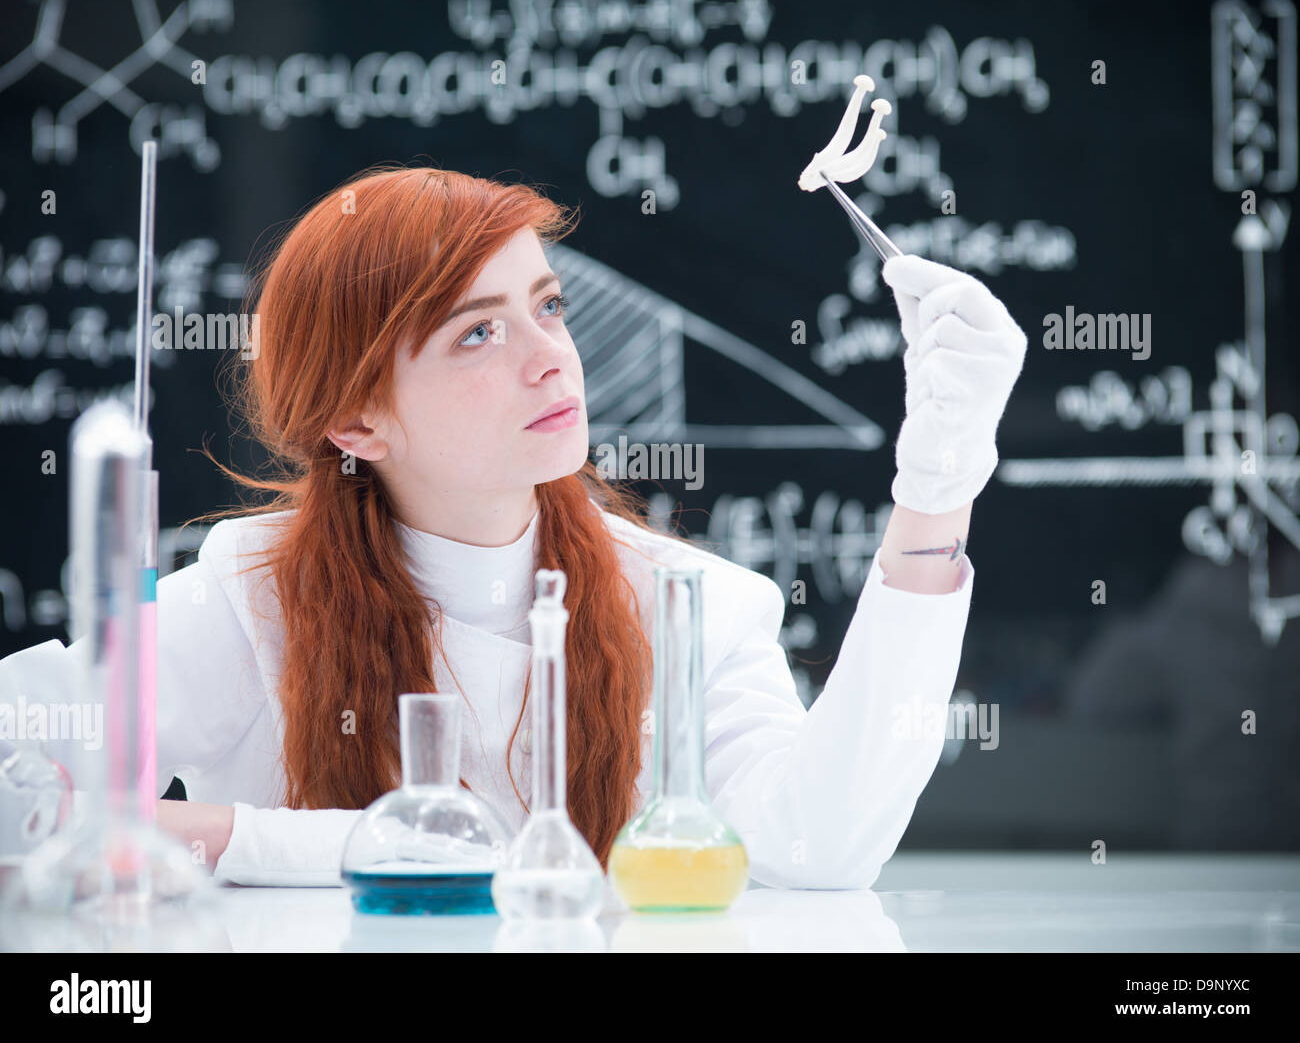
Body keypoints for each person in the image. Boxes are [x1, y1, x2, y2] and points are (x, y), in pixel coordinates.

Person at [0, 166, 1027, 888]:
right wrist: (283, 844)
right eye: (478, 332)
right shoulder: (249, 602)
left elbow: (820, 844)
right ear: (356, 420)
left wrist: (936, 490)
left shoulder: (682, 604)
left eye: (549, 307)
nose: (550, 359)